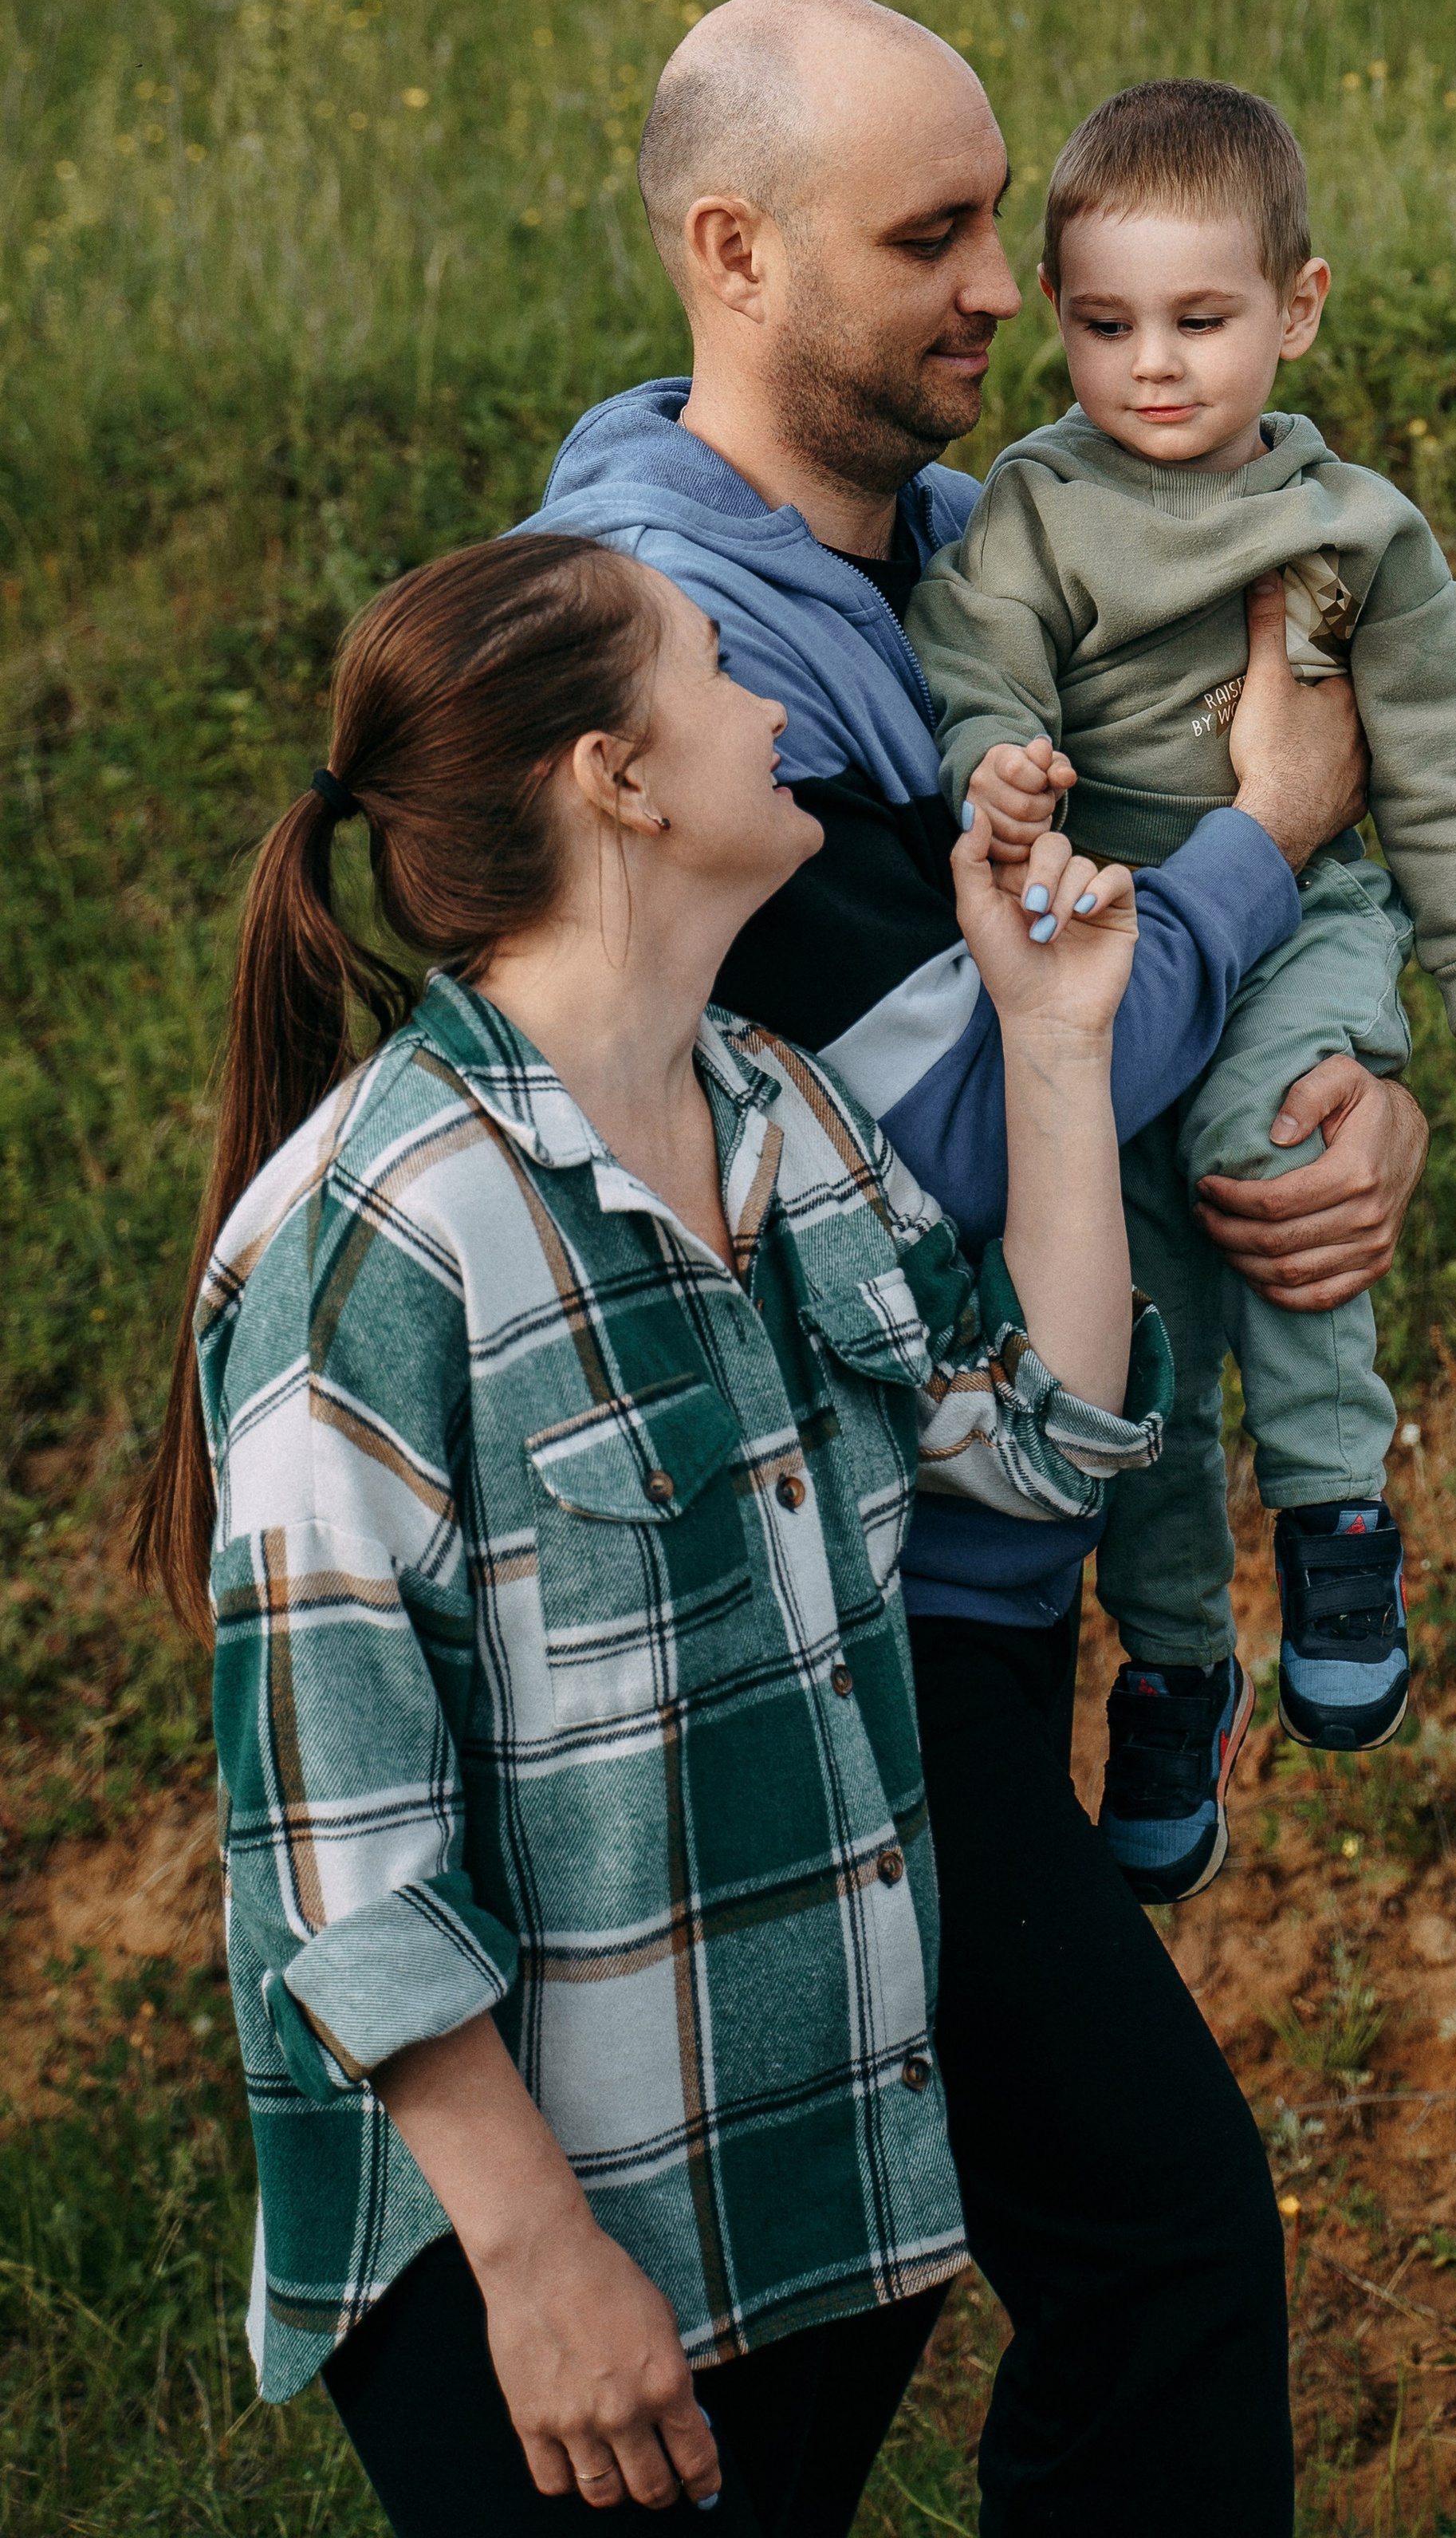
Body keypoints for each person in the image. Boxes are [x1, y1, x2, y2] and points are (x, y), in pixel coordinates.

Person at [527, 0, 1434, 2536]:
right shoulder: (653, 662)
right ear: (731, 252)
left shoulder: (955, 548)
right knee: (1154, 2251)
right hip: (829, 1609)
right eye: (930, 235)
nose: (998, 291)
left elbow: (1170, 1007)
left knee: (858, 2305)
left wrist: (1341, 1101)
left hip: (984, 1556)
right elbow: (921, 1131)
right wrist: (1258, 840)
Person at [131, 529, 1170, 2536]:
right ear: (618, 778)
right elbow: (340, 1855)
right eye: (717, 666)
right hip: (540, 2282)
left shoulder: (775, 1112)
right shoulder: (380, 1238)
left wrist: (1054, 1045)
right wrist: (536, 2266)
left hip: (798, 2199)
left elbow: (1030, 1439)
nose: (776, 705)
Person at [907, 78, 1456, 1898]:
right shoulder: (1028, 503)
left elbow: (1431, 762)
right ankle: (1173, 1661)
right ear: (1055, 313)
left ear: (1300, 303)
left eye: (1201, 322)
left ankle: (1337, 1520)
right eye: (1103, 326)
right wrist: (1002, 765)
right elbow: (976, 664)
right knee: (1135, 1327)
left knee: (1276, 1150)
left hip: (1301, 914)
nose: (1153, 368)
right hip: (1100, 931)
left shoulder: (1355, 532)